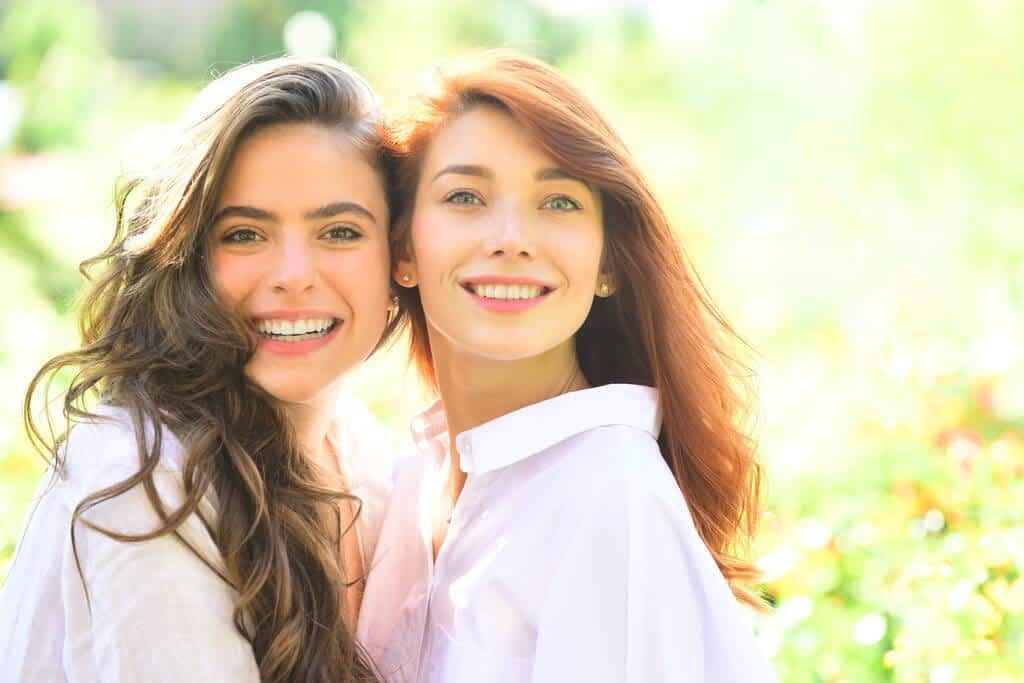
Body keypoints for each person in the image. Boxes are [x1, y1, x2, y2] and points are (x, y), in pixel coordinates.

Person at [357, 50, 778, 682]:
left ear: (606, 262)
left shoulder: (609, 496)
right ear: (403, 250)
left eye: (558, 202)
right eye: (466, 196)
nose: (512, 237)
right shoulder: (414, 479)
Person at [0, 57, 398, 682]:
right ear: (186, 259)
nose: (293, 273)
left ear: (400, 259)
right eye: (244, 234)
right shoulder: (142, 479)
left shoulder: (371, 454)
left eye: (340, 231)